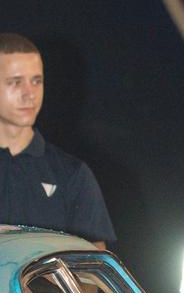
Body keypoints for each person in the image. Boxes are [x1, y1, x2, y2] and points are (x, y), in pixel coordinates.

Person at [0, 33, 115, 247]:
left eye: (36, 81)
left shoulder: (72, 175)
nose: (29, 94)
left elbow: (89, 267)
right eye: (15, 82)